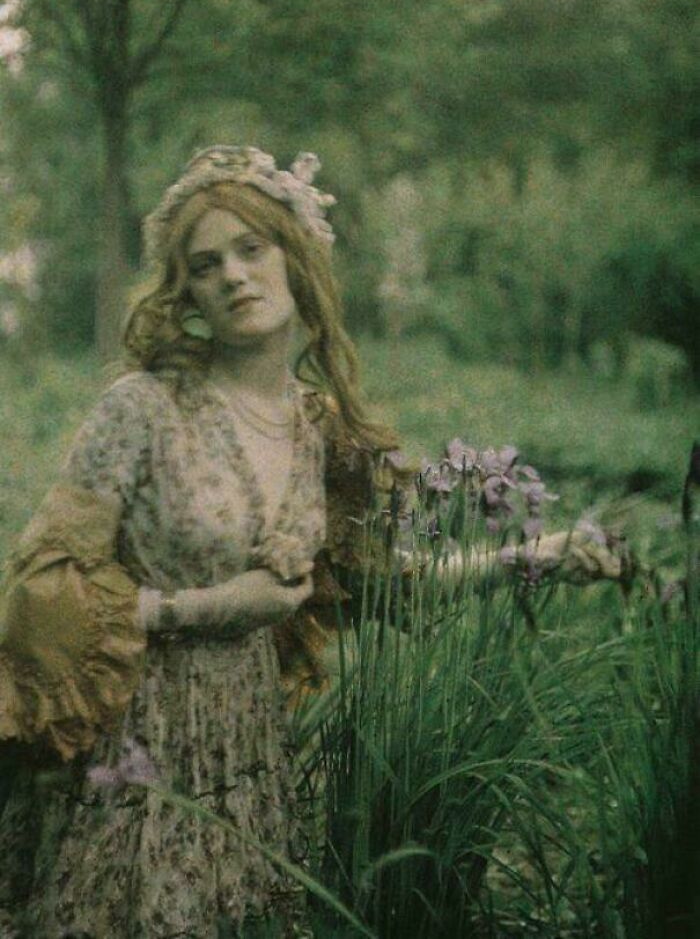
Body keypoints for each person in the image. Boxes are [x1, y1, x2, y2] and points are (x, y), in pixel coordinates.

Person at [0, 145, 626, 939]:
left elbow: (378, 585)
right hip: (131, 756)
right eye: (205, 264)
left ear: (294, 256)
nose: (233, 275)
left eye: (250, 248)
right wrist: (209, 606)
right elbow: (39, 594)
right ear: (187, 291)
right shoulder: (142, 409)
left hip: (244, 755)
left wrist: (531, 557)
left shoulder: (317, 429)